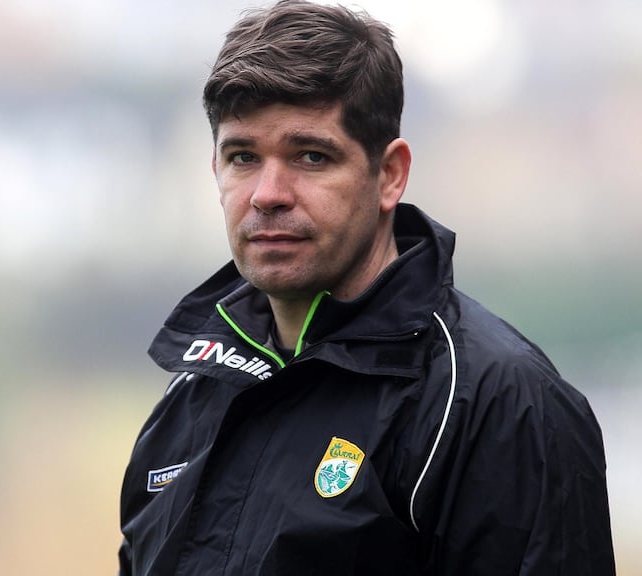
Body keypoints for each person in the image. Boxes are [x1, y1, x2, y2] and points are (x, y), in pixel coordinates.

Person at [117, 1, 616, 575]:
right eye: (243, 157)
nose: (268, 193)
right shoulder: (187, 399)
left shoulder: (497, 402)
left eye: (310, 156)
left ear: (390, 175)